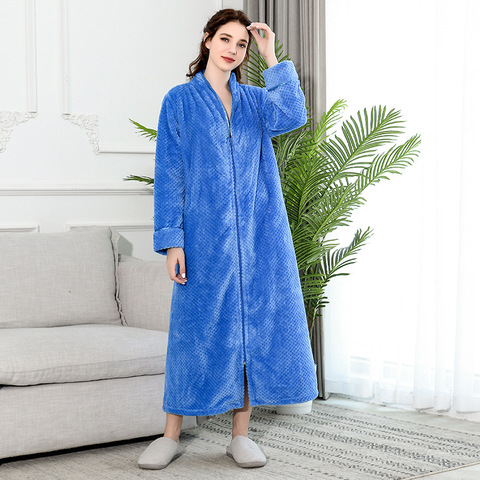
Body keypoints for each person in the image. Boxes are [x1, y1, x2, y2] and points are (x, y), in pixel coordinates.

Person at [138, 8, 318, 471]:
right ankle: (170, 435)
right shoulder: (179, 101)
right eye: (225, 39)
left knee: (249, 334)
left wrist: (270, 55)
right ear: (207, 39)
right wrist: (172, 241)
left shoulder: (256, 102)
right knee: (190, 335)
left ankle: (241, 435)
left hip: (258, 237)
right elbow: (170, 174)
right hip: (203, 240)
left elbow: (293, 114)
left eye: (241, 44)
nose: (232, 49)